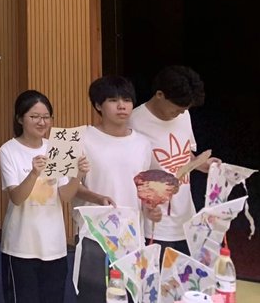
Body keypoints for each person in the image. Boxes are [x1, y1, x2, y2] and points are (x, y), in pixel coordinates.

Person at [73, 76, 158, 303]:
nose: (122, 106)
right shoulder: (78, 137)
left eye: (127, 100)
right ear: (98, 105)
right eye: (113, 100)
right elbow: (63, 187)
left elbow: (147, 189)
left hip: (133, 236)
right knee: (93, 297)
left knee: (131, 297)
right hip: (94, 236)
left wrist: (151, 208)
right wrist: (96, 197)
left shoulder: (143, 144)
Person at [0, 90, 88, 303]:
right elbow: (16, 198)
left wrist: (78, 175)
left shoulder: (57, 147)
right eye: (34, 116)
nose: (42, 122)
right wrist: (33, 173)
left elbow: (65, 196)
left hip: (54, 246)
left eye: (46, 117)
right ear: (20, 118)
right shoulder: (8, 150)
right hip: (20, 245)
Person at [130, 65, 216, 255]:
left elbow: (185, 154)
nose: (180, 114)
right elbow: (128, 173)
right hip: (154, 221)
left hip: (186, 218)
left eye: (184, 110)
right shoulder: (134, 122)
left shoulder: (184, 115)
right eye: (176, 110)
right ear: (159, 95)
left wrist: (202, 164)